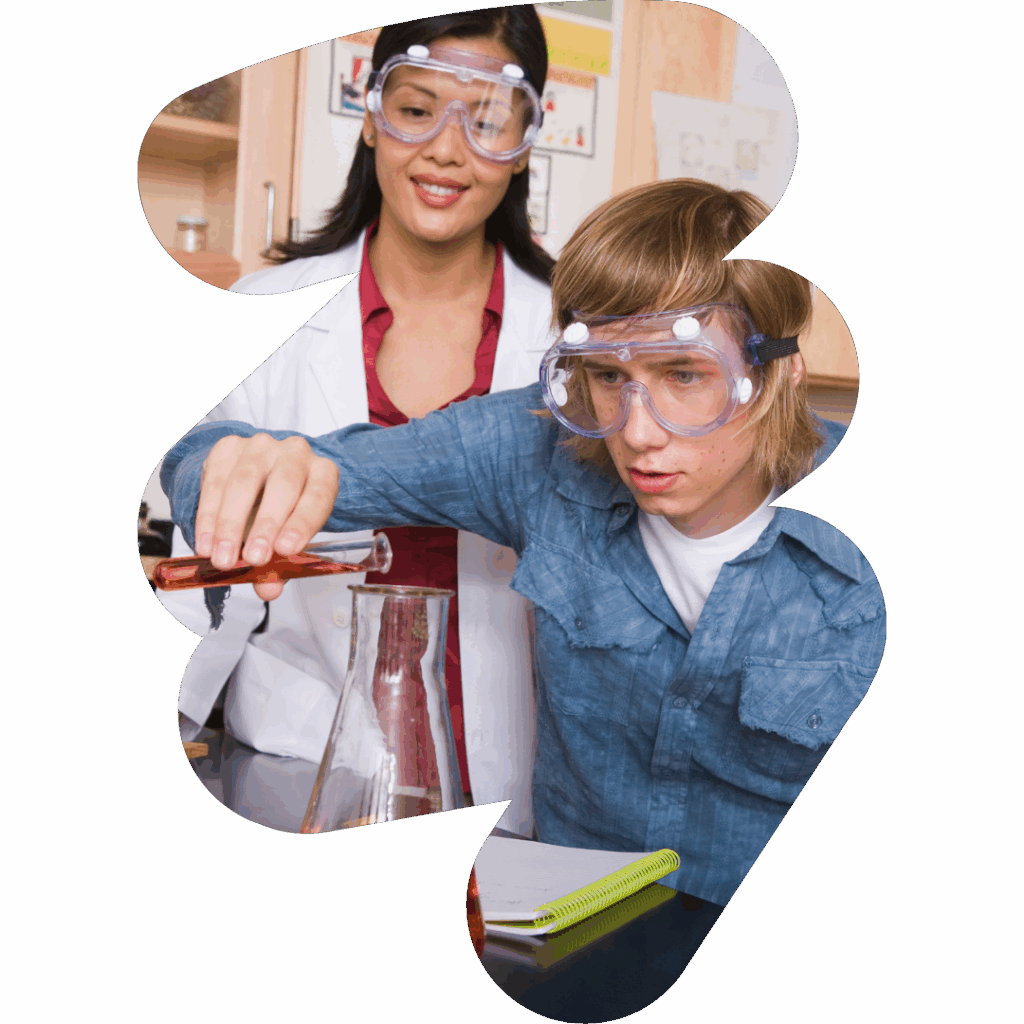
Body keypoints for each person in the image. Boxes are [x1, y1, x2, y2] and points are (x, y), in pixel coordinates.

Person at [161, 179, 886, 905]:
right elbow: (289, 465)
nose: (636, 433)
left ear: (782, 372)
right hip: (571, 953)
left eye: (684, 375)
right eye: (607, 375)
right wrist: (225, 468)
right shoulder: (540, 450)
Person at [156, 7, 555, 835]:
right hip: (293, 759)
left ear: (524, 143)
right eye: (416, 109)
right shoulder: (259, 315)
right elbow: (190, 530)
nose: (447, 148)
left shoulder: (574, 338)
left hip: (514, 772)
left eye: (485, 120)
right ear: (371, 117)